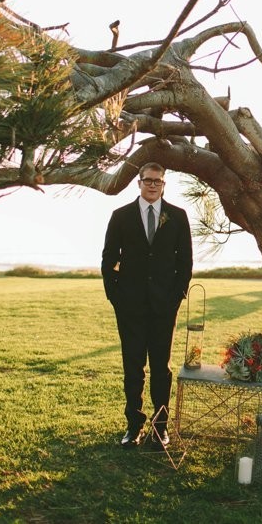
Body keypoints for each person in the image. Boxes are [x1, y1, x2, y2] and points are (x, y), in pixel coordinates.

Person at [102, 162, 193, 449]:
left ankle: (160, 427)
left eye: (158, 181)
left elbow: (185, 262)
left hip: (165, 305)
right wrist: (116, 297)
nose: (153, 185)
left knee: (161, 367)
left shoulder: (177, 216)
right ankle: (133, 426)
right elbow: (108, 259)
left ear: (164, 185)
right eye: (148, 180)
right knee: (133, 366)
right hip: (130, 305)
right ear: (139, 183)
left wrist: (177, 295)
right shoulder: (121, 216)